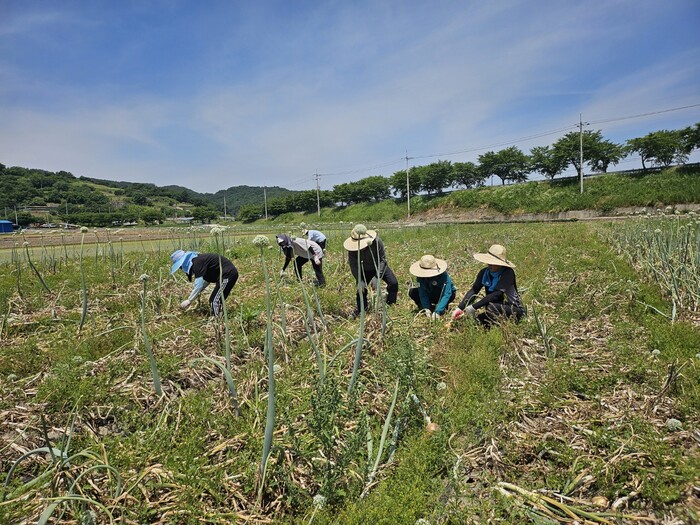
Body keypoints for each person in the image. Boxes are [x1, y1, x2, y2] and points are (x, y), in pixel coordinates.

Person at [451, 244, 524, 328]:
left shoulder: (507, 273)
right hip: (494, 308)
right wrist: (460, 308)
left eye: (493, 262)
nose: (490, 264)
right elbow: (474, 290)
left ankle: (499, 328)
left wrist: (474, 307)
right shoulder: (484, 273)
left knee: (491, 307)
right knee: (474, 321)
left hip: (514, 310)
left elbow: (497, 294)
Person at [343, 224, 398, 316]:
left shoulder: (376, 242)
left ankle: (390, 305)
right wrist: (359, 280)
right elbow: (353, 265)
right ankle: (362, 310)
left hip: (379, 267)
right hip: (364, 270)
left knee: (393, 283)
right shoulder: (352, 249)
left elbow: (383, 260)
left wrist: (377, 276)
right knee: (361, 290)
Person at [170, 250, 238, 316]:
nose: (181, 268)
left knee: (214, 301)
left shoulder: (197, 263)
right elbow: (206, 279)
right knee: (215, 300)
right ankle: (221, 316)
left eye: (180, 266)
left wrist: (189, 300)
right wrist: (199, 291)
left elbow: (199, 285)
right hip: (224, 275)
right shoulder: (198, 260)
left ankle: (219, 320)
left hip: (228, 275)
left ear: (183, 262)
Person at [408, 255, 456, 319]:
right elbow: (422, 292)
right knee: (413, 292)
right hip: (430, 293)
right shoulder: (420, 277)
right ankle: (427, 307)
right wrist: (426, 308)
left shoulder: (443, 276)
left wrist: (438, 311)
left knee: (448, 294)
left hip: (441, 294)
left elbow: (447, 294)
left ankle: (442, 307)